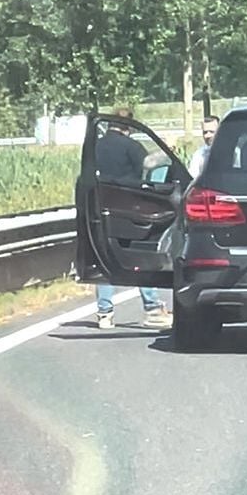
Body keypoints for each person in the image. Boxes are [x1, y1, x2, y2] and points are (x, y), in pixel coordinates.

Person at [93, 107, 172, 330]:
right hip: (129, 207)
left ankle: (105, 313)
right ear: (128, 126)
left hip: (101, 207)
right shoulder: (129, 145)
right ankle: (152, 309)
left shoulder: (95, 145)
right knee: (139, 259)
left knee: (105, 260)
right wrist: (168, 151)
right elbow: (148, 164)